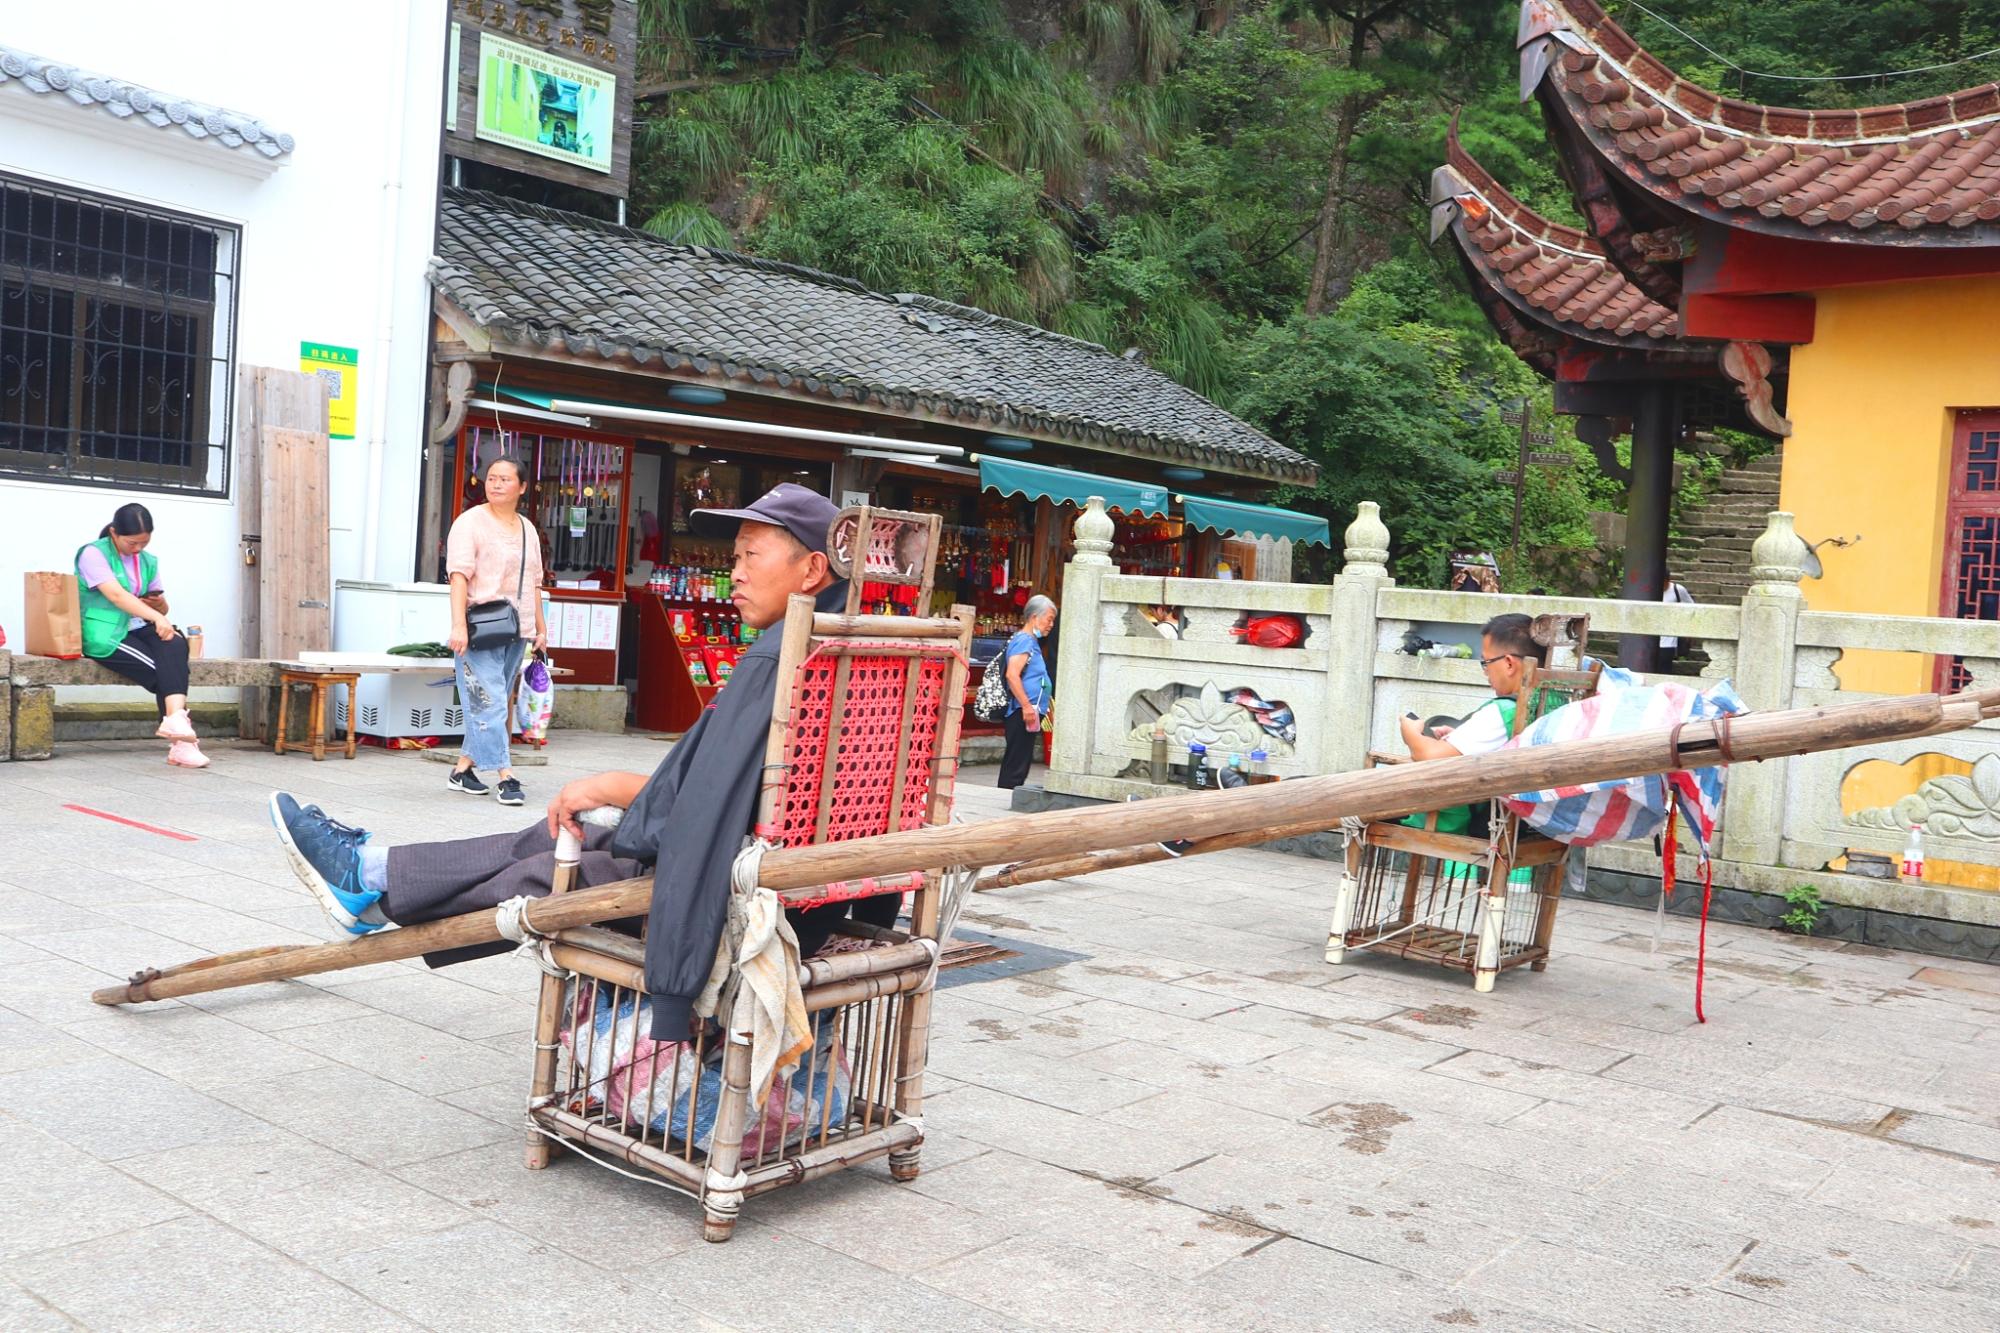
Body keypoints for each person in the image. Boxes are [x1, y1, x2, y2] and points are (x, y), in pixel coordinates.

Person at [269, 483, 896, 1044]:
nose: (733, 573)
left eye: (747, 556)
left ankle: (370, 890)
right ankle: (368, 881)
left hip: (746, 902)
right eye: (733, 559)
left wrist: (609, 785)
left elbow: (699, 808)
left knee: (556, 871)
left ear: (813, 569)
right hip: (806, 893)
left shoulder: (778, 658)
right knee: (551, 835)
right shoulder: (856, 650)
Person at [445, 456, 546, 807]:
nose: (496, 484)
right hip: (479, 627)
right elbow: (458, 575)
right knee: (488, 703)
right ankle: (506, 776)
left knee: (495, 699)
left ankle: (462, 771)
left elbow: (535, 582)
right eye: (491, 478)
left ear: (521, 487)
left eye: (505, 479)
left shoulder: (527, 528)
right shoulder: (469, 523)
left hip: (518, 628)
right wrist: (458, 625)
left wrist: (540, 629)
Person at [75, 503, 208, 769]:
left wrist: (159, 608)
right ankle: (182, 743)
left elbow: (161, 603)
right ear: (114, 533)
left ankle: (176, 725)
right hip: (105, 631)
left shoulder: (148, 561)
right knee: (167, 671)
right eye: (132, 542)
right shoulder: (93, 553)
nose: (137, 549)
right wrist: (158, 617)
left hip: (138, 625)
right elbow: (115, 595)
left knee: (175, 644)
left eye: (144, 543)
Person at [1399, 612, 1546, 763]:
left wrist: (1410, 733)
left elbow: (1429, 756)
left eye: (1486, 662)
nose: (1485, 671)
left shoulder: (1504, 712)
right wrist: (1459, 738)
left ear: (1509, 664)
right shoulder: (1554, 699)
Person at [998, 594, 1056, 790]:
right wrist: (1026, 706)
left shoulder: (1031, 642)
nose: (1051, 624)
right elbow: (1012, 675)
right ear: (1034, 617)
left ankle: (1008, 795)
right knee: (1016, 761)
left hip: (1029, 710)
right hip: (1022, 711)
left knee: (1021, 758)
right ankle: (1004, 798)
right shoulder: (1024, 640)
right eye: (1049, 619)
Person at [1660, 572, 1696, 671]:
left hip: (1669, 637)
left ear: (1668, 580)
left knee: (1664, 665)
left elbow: (1691, 607)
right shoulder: (1649, 590)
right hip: (1650, 637)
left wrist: (1688, 628)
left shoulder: (1677, 589)